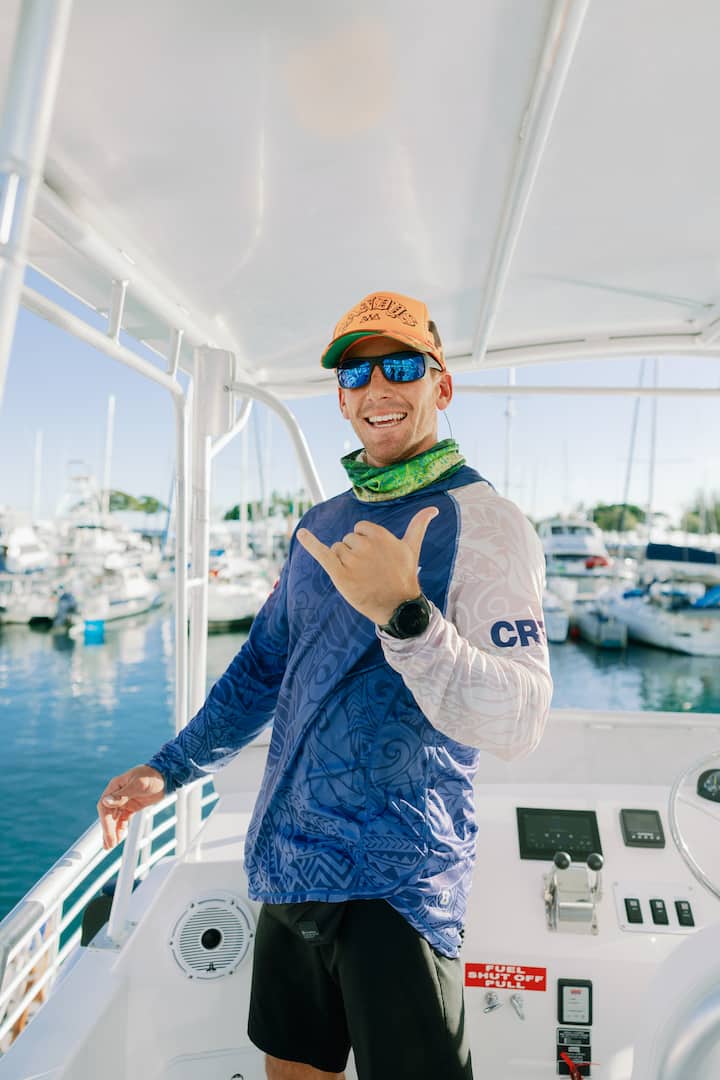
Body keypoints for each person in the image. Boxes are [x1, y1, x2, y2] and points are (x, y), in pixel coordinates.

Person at [98, 290, 552, 1080]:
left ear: (441, 385)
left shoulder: (484, 522)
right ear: (341, 398)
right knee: (293, 1071)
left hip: (398, 882)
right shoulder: (319, 524)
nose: (376, 386)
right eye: (354, 372)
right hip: (290, 865)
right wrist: (168, 769)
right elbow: (262, 669)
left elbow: (520, 719)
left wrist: (407, 617)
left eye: (401, 366)